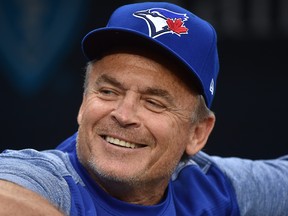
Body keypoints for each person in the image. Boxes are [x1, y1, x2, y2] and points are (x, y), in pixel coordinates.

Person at [0, 2, 287, 216]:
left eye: (154, 102)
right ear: (83, 103)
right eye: (109, 91)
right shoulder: (51, 178)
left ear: (197, 133)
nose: (123, 115)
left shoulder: (209, 185)